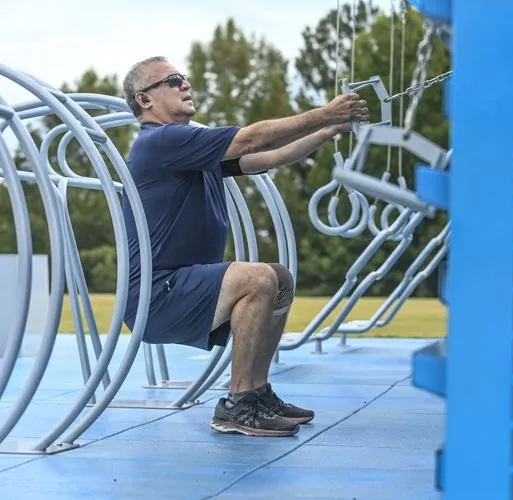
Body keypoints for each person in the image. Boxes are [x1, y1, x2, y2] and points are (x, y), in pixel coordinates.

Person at [120, 56, 369, 437]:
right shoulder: (161, 141)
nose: (186, 84)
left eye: (184, 77)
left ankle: (256, 391)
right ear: (145, 99)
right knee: (258, 278)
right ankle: (238, 404)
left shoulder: (185, 150)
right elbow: (251, 138)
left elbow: (271, 155)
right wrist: (323, 113)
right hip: (156, 296)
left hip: (181, 285)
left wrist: (329, 129)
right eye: (173, 80)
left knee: (279, 278)